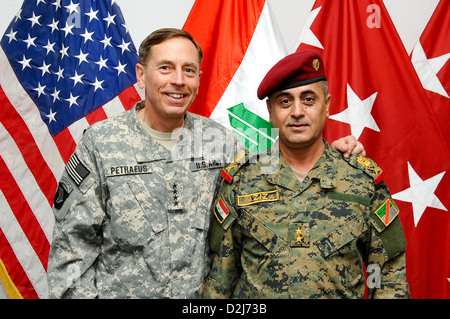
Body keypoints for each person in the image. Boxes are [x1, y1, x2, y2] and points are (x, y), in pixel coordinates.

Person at [47, 28, 365, 298]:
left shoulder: (221, 142)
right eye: (166, 68)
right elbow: (72, 248)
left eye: (188, 70)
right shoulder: (101, 144)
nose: (178, 80)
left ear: (199, 77)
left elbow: (273, 186)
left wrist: (333, 158)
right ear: (141, 75)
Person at [203, 50, 410, 299]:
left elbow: (385, 272)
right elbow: (222, 279)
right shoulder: (240, 182)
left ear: (327, 105)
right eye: (285, 101)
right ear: (270, 111)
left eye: (309, 99)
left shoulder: (362, 182)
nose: (297, 111)